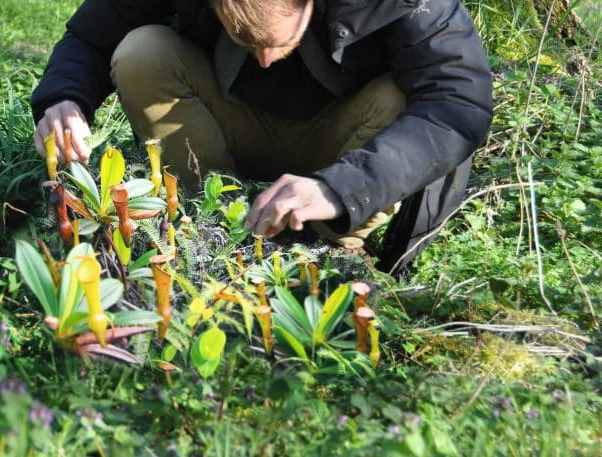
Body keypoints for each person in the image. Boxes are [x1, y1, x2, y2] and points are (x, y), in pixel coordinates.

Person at [31, 0, 493, 276]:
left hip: (344, 142)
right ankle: (208, 221)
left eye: (275, 41)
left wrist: (341, 187)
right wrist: (65, 98)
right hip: (231, 122)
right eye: (245, 40)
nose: (266, 61)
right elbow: (94, 34)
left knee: (404, 97)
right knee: (141, 52)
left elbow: (458, 105)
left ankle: (332, 250)